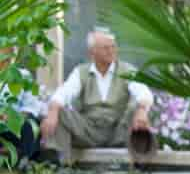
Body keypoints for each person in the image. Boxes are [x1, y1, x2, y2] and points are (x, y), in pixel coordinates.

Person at [41, 29, 153, 164]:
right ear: (92, 52)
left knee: (139, 108)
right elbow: (64, 93)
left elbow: (143, 92)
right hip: (89, 130)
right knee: (59, 112)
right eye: (106, 48)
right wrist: (53, 111)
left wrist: (142, 110)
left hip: (119, 130)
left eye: (113, 46)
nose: (111, 51)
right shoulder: (81, 71)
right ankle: (59, 164)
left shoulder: (127, 70)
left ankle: (140, 163)